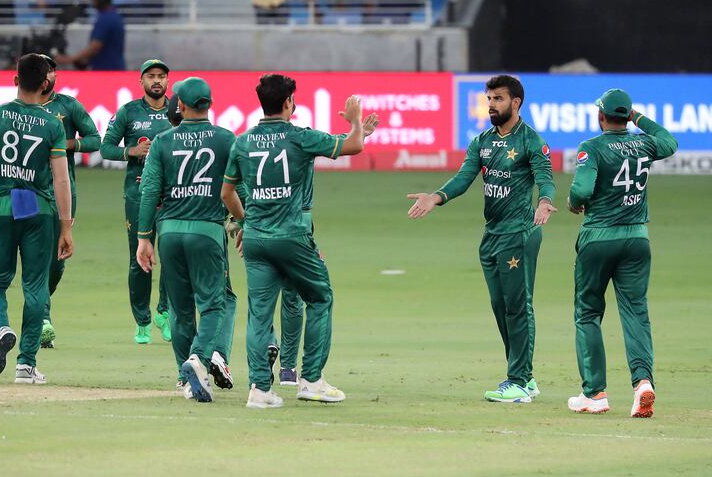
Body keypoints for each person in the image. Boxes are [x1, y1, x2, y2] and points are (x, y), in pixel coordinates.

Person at [221, 74, 373, 409]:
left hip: (257, 239)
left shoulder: (243, 142)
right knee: (320, 298)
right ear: (289, 102)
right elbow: (354, 145)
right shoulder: (300, 137)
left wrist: (246, 222)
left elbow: (227, 192)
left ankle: (260, 391)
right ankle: (312, 380)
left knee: (259, 315)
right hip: (292, 236)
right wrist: (356, 122)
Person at [406, 74, 557, 404]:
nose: (491, 105)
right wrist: (437, 196)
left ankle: (517, 381)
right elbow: (463, 178)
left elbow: (546, 177)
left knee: (518, 308)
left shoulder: (531, 141)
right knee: (501, 307)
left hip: (519, 233)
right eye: (489, 99)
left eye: (498, 99)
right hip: (491, 236)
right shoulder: (482, 141)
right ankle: (525, 378)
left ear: (515, 103)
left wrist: (545, 200)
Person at [0, 53, 73, 385]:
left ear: (15, 80)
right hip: (40, 208)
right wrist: (66, 226)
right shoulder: (53, 124)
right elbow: (62, 179)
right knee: (35, 287)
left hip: (3, 205)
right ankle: (26, 365)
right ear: (46, 84)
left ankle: (1, 329)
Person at [566, 89, 678, 417]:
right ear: (626, 116)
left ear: (601, 116)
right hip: (637, 239)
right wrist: (638, 118)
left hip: (599, 238)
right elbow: (669, 141)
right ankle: (643, 382)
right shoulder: (644, 144)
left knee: (588, 312)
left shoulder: (592, 148)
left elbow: (582, 190)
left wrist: (574, 203)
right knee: (635, 312)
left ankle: (595, 393)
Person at [136, 77, 236, 403]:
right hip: (207, 230)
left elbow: (149, 191)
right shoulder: (225, 139)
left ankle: (184, 379)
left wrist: (143, 238)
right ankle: (198, 359)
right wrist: (243, 223)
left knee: (180, 311)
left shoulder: (163, 141)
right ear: (209, 104)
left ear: (179, 105)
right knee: (213, 304)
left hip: (169, 232)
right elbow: (239, 187)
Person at [100, 59, 173, 344]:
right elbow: (105, 147)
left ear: (168, 81)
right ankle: (141, 321)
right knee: (139, 258)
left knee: (171, 256)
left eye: (161, 76)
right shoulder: (128, 112)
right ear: (141, 81)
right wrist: (131, 150)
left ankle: (164, 312)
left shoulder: (177, 110)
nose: (157, 81)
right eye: (151, 76)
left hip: (171, 196)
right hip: (138, 195)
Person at [36, 54, 101, 348]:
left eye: (52, 70)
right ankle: (42, 318)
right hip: (30, 192)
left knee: (57, 261)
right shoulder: (21, 108)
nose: (48, 75)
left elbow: (95, 139)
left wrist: (65, 144)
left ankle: (40, 306)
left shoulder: (69, 106)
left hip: (64, 193)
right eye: (43, 70)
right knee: (36, 253)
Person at [56, 0, 124, 71]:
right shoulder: (114, 15)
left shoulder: (105, 19)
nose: (92, 2)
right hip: (114, 67)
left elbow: (95, 47)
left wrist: (69, 59)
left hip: (106, 70)